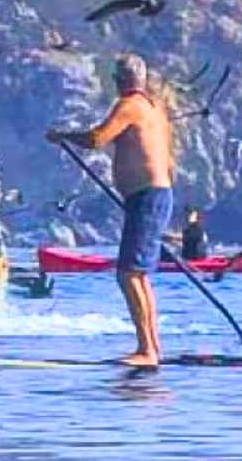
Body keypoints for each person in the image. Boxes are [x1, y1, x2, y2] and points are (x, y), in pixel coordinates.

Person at [46, 54, 174, 367]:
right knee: (139, 275)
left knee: (128, 274)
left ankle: (147, 351)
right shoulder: (155, 108)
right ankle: (152, 348)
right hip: (153, 197)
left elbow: (97, 139)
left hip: (148, 197)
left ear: (119, 80)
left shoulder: (129, 106)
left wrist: (62, 136)